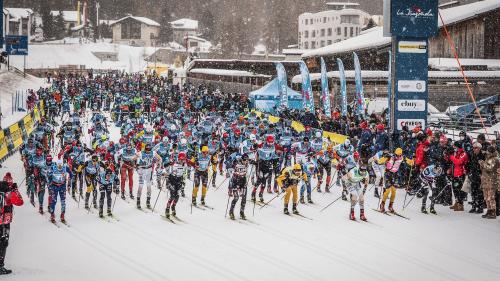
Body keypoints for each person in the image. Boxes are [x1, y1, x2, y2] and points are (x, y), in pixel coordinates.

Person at [0, 175, 24, 275]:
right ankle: (0, 266)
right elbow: (19, 202)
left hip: (3, 220)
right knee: (3, 243)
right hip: (4, 221)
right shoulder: (9, 192)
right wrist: (15, 190)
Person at [479, 146, 500, 219]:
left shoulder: (496, 159)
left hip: (492, 181)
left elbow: (490, 168)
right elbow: (485, 169)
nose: (487, 153)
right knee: (486, 197)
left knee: (491, 197)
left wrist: (482, 164)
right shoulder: (488, 158)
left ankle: (493, 212)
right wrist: (482, 165)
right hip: (485, 181)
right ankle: (489, 210)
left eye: (488, 151)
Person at [467, 142, 485, 214]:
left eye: (476, 148)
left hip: (480, 176)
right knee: (473, 192)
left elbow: (484, 167)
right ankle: (474, 206)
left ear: (479, 148)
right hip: (473, 175)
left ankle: (480, 207)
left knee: (480, 192)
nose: (474, 149)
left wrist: (481, 174)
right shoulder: (472, 155)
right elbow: (470, 164)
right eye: (473, 148)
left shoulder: (483, 155)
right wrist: (469, 172)